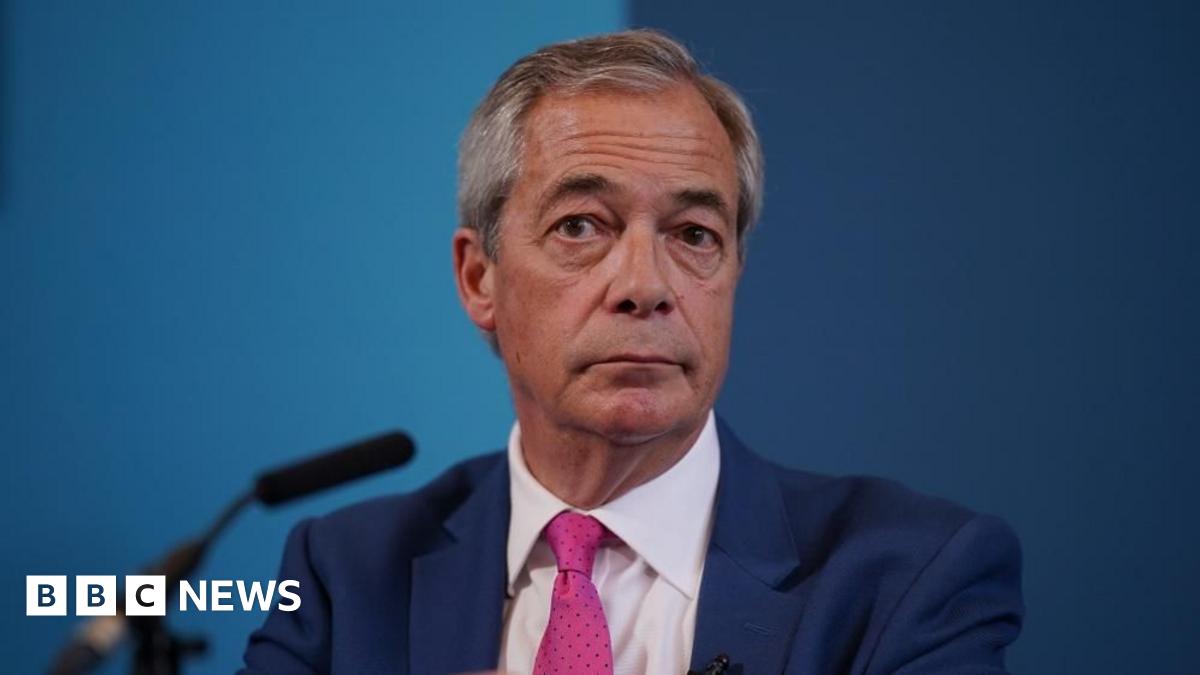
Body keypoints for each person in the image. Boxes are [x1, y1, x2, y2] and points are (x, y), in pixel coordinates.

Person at [240, 29, 1023, 674]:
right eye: (581, 226)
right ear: (480, 278)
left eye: (693, 235)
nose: (645, 285)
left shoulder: (908, 577)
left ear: (733, 271)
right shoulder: (346, 576)